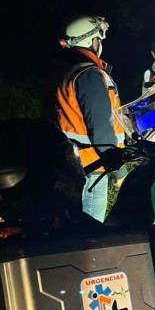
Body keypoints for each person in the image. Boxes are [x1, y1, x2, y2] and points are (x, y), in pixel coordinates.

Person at [55, 16, 125, 221]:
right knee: (90, 235)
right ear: (93, 42)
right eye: (99, 39)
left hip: (75, 167)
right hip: (92, 169)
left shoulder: (70, 72)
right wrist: (119, 172)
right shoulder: (90, 75)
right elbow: (101, 127)